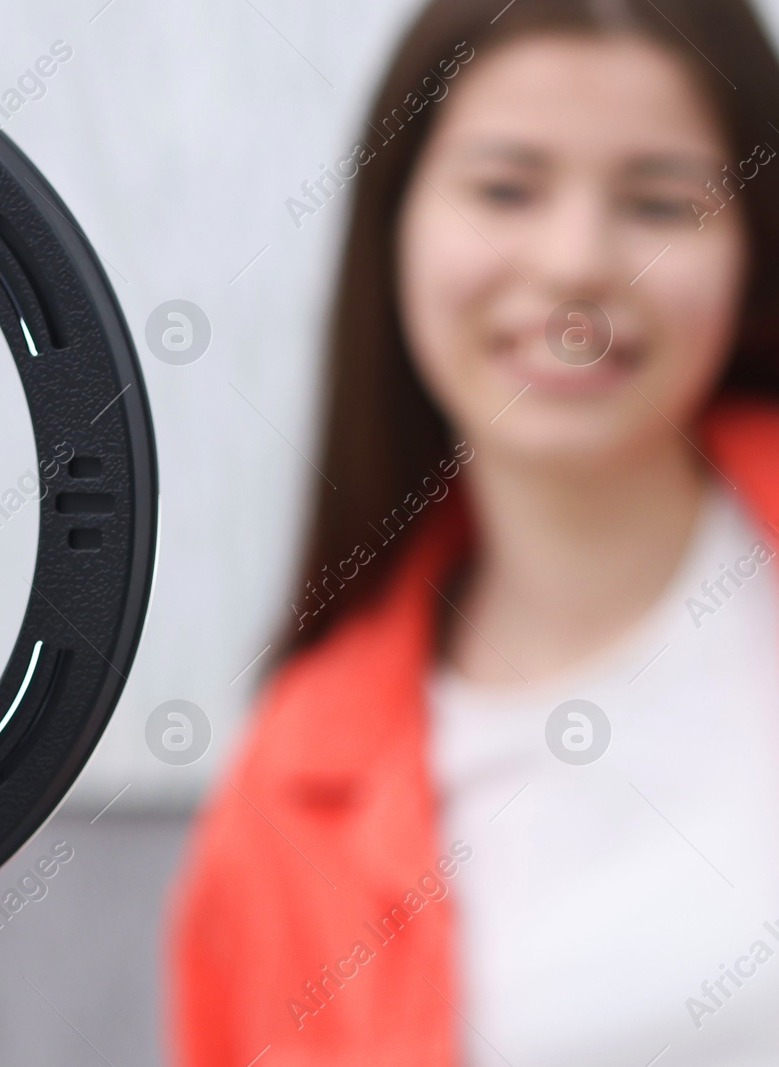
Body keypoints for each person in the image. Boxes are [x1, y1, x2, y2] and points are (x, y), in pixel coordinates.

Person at [169, 0, 779, 1062]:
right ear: (394, 223)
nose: (577, 261)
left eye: (657, 201)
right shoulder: (288, 790)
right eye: (505, 188)